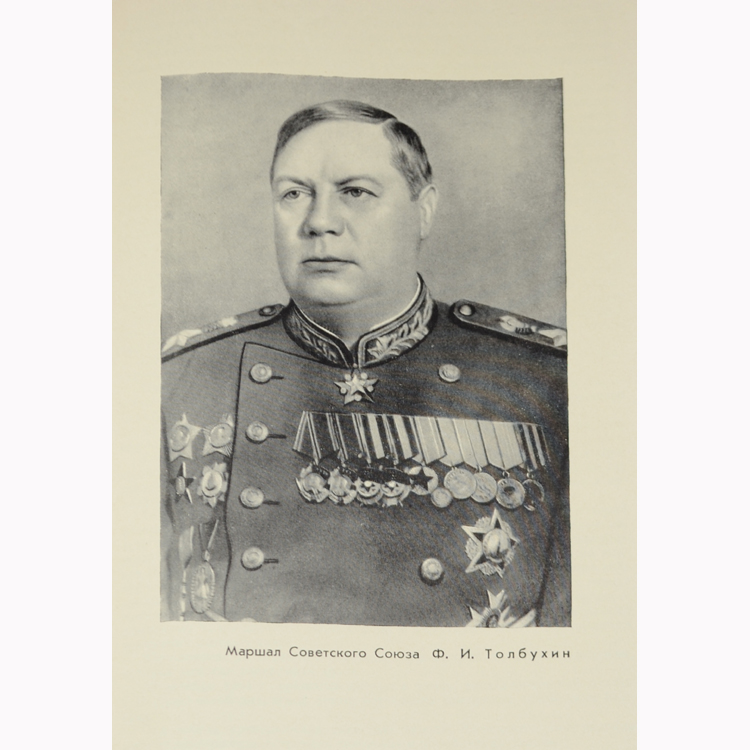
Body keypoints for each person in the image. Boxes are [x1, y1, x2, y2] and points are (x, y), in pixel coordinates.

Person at [161, 100, 570, 627]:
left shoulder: (547, 379)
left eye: (355, 192)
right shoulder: (181, 377)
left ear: (423, 211)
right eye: (293, 194)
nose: (319, 223)